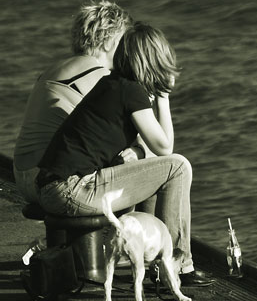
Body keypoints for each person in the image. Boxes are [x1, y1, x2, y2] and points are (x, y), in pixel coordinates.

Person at [36, 22, 213, 286]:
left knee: (161, 167)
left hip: (54, 186)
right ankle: (177, 265)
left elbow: (151, 150)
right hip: (71, 188)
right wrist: (164, 96)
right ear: (154, 61)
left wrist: (138, 150)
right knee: (179, 167)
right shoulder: (131, 90)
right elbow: (166, 148)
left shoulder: (114, 85)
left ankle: (155, 262)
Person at [14, 0, 133, 204]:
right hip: (52, 182)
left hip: (22, 178)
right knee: (147, 167)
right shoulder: (101, 77)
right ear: (108, 42)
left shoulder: (52, 70)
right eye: (124, 40)